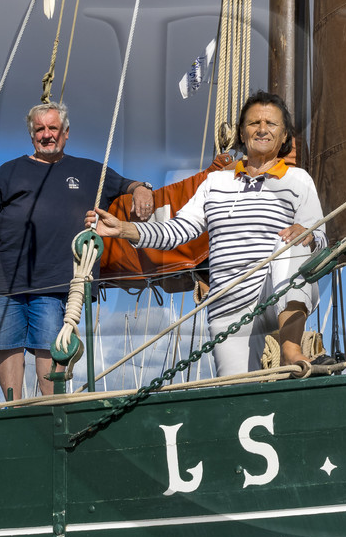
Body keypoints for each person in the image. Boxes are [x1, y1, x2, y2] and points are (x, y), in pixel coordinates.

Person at [90, 91, 324, 376]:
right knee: (236, 394)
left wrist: (308, 234)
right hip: (228, 302)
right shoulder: (216, 182)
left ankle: (291, 349)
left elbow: (319, 236)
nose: (262, 129)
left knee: (295, 241)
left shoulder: (298, 180)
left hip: (275, 293)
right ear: (242, 131)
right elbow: (179, 230)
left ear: (284, 134)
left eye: (271, 124)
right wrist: (125, 229)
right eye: (254, 123)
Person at [0, 101, 154, 399]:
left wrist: (142, 189)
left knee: (51, 345)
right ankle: (14, 411)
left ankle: (51, 412)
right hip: (5, 277)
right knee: (6, 344)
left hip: (57, 280)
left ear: (66, 133)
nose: (47, 134)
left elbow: (129, 185)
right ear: (32, 134)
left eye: (53, 128)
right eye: (40, 129)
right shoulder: (8, 172)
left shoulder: (90, 171)